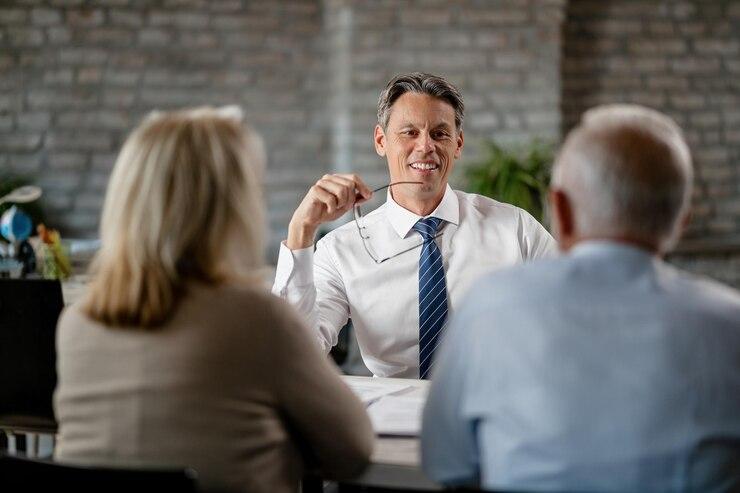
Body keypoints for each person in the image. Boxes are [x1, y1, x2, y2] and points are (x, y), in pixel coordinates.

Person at [54, 107, 374, 493]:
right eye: (255, 189)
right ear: (229, 207)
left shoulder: (77, 324)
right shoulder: (257, 319)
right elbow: (352, 451)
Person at [422, 104, 740, 491]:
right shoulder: (729, 323)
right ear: (680, 221)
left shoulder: (489, 307)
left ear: (562, 211)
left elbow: (447, 463)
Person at [272, 72, 556, 379]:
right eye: (409, 132)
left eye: (439, 134)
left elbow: (577, 312)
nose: (425, 147)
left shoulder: (516, 230)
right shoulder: (340, 250)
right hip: (391, 420)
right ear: (381, 141)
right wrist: (301, 230)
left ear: (457, 144)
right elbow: (291, 354)